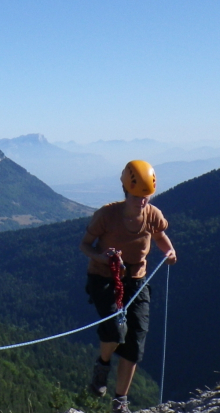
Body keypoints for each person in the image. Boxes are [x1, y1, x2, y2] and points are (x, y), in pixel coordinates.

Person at [79, 160, 177, 413]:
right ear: (126, 191)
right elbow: (85, 245)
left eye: (146, 196)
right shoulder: (106, 215)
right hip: (104, 277)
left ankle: (120, 401)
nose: (142, 201)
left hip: (135, 280)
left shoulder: (153, 215)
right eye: (137, 196)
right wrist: (101, 257)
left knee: (135, 342)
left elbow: (160, 236)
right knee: (114, 330)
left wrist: (169, 251)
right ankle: (102, 365)